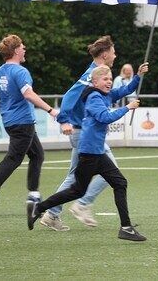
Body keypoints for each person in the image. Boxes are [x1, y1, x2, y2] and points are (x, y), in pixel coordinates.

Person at [28, 64, 148, 241]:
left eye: (109, 79)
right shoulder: (93, 97)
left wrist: (138, 76)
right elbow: (104, 117)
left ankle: (126, 228)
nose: (108, 82)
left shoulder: (106, 94)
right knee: (77, 191)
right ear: (94, 82)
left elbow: (126, 89)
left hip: (96, 152)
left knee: (119, 183)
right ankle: (39, 208)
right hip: (90, 152)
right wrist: (127, 108)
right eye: (104, 79)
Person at [41, 35, 122, 231]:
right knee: (112, 173)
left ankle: (51, 214)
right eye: (113, 52)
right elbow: (69, 96)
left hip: (81, 133)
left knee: (74, 176)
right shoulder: (89, 77)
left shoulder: (94, 74)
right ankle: (83, 204)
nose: (115, 55)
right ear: (104, 55)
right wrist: (63, 119)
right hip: (85, 134)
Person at [0, 34, 59, 215]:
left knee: (37, 155)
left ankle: (34, 195)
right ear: (15, 51)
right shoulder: (21, 72)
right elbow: (28, 94)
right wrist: (51, 110)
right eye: (22, 46)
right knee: (14, 158)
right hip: (23, 122)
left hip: (11, 122)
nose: (24, 49)